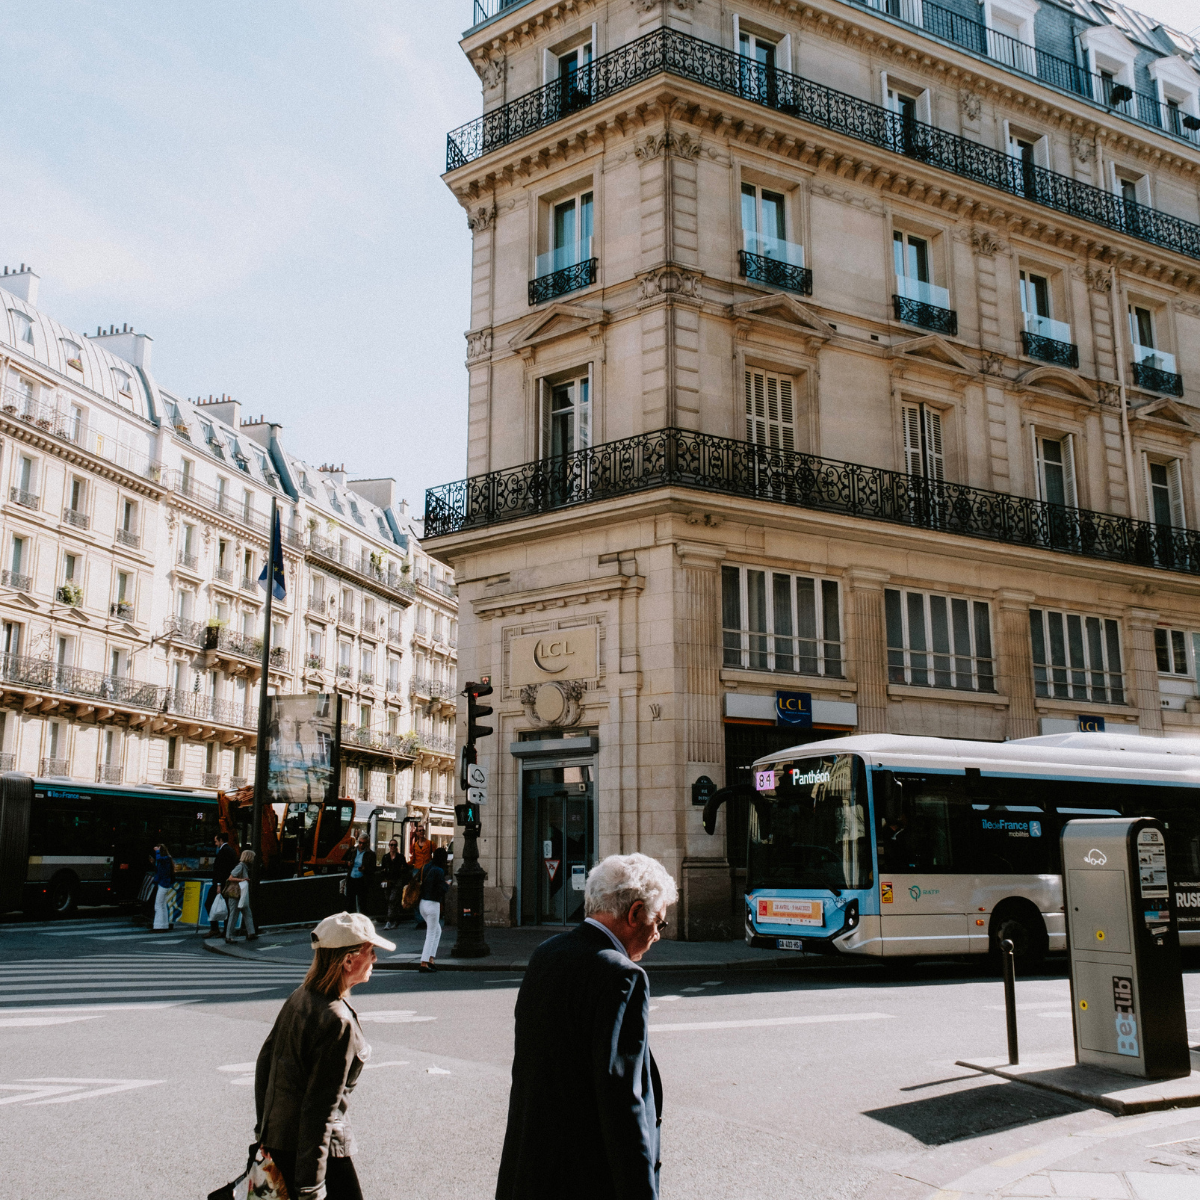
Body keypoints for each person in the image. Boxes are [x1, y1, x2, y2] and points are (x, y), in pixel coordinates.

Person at [496, 852, 677, 1200]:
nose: (657, 934)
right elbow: (623, 1102)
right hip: (587, 1176)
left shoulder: (546, 953)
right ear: (635, 913)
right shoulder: (623, 976)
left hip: (533, 1166)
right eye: (660, 922)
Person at [255, 910, 395, 1200]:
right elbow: (320, 1110)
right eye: (371, 952)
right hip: (318, 1154)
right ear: (347, 960)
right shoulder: (336, 1019)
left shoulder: (301, 996)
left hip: (282, 1140)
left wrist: (264, 1132)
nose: (375, 960)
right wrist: (311, 1187)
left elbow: (265, 1063)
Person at [417, 846, 450, 973]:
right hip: (433, 904)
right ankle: (424, 962)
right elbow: (441, 889)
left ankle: (430, 959)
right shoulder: (439, 870)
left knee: (437, 930)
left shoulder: (426, 867)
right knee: (431, 933)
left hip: (422, 903)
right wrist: (447, 885)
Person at [206, 831, 237, 939]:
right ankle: (225, 929)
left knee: (208, 903)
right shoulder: (231, 851)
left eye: (216, 841)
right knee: (227, 906)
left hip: (220, 883)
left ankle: (214, 928)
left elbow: (220, 870)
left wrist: (218, 884)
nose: (215, 844)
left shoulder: (223, 852)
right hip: (228, 883)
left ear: (221, 840)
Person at [225, 849, 258, 943]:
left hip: (239, 894)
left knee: (246, 912)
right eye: (252, 857)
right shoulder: (240, 866)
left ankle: (251, 933)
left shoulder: (244, 866)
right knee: (235, 914)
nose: (253, 859)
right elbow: (230, 878)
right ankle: (229, 936)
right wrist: (242, 880)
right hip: (236, 894)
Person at [380, 838, 409, 930]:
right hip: (388, 881)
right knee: (391, 900)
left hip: (397, 881)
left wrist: (401, 870)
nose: (393, 847)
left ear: (397, 847)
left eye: (394, 845)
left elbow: (405, 868)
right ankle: (396, 919)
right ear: (389, 846)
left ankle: (389, 921)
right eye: (391, 845)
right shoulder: (385, 857)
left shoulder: (400, 857)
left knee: (392, 900)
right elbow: (382, 869)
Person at [345, 834, 376, 915]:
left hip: (362, 879)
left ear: (367, 843)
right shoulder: (352, 850)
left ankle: (362, 920)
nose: (361, 845)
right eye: (360, 842)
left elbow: (373, 869)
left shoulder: (371, 854)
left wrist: (365, 869)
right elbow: (344, 860)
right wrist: (348, 863)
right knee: (349, 902)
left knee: (362, 903)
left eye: (363, 843)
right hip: (351, 878)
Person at [409, 825, 432, 929]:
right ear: (417, 833)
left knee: (426, 895)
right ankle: (419, 920)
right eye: (419, 831)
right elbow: (413, 859)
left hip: (427, 871)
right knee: (416, 895)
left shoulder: (431, 844)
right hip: (417, 871)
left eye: (423, 830)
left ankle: (427, 919)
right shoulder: (414, 845)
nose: (421, 832)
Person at [151, 843, 175, 931]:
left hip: (163, 883)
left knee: (158, 905)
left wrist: (157, 851)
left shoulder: (165, 858)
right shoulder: (167, 859)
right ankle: (164, 925)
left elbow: (159, 859)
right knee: (163, 905)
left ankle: (159, 926)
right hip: (165, 883)